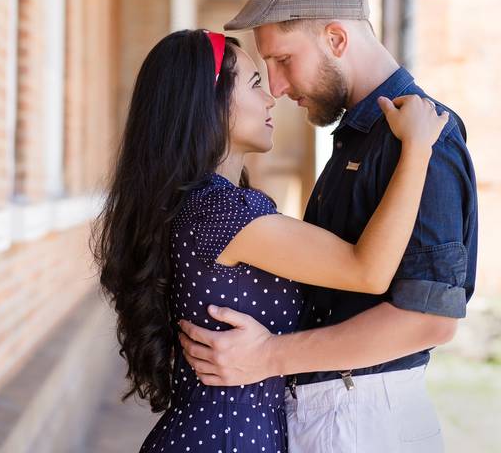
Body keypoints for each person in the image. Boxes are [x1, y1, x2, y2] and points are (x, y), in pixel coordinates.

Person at [177, 0, 478, 453]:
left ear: (336, 38)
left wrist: (271, 357)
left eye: (281, 60)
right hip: (331, 413)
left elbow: (430, 317)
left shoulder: (426, 138)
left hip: (365, 420)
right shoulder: (358, 136)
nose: (274, 86)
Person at [92, 25, 446, 452]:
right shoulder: (220, 213)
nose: (271, 96)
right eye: (256, 82)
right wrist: (418, 149)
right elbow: (367, 270)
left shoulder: (204, 208)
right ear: (210, 103)